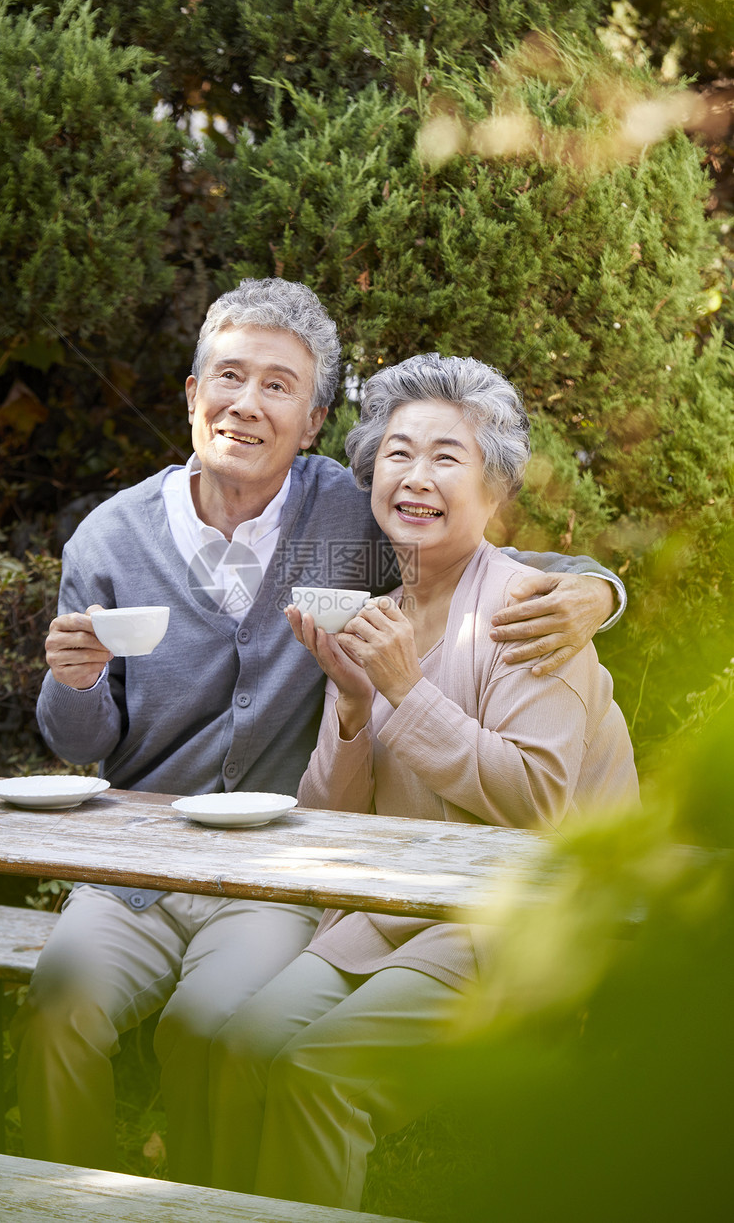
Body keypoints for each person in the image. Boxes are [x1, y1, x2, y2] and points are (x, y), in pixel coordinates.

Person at [12, 281, 624, 1179]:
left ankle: (202, 1194)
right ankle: (51, 1201)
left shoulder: (344, 516)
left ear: (313, 421)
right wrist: (73, 682)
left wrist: (599, 590)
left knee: (206, 1027)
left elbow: (485, 552)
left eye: (279, 387)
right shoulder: (112, 539)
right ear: (191, 395)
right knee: (58, 1001)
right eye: (228, 377)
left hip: (278, 873)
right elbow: (77, 742)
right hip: (138, 866)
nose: (246, 405)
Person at [206, 353, 639, 1210]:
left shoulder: (529, 611)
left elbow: (538, 803)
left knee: (315, 1072)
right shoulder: (383, 613)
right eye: (399, 453)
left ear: (496, 488)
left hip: (518, 920)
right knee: (240, 1043)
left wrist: (407, 689)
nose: (416, 476)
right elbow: (330, 822)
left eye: (448, 456)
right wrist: (356, 702)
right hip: (400, 912)